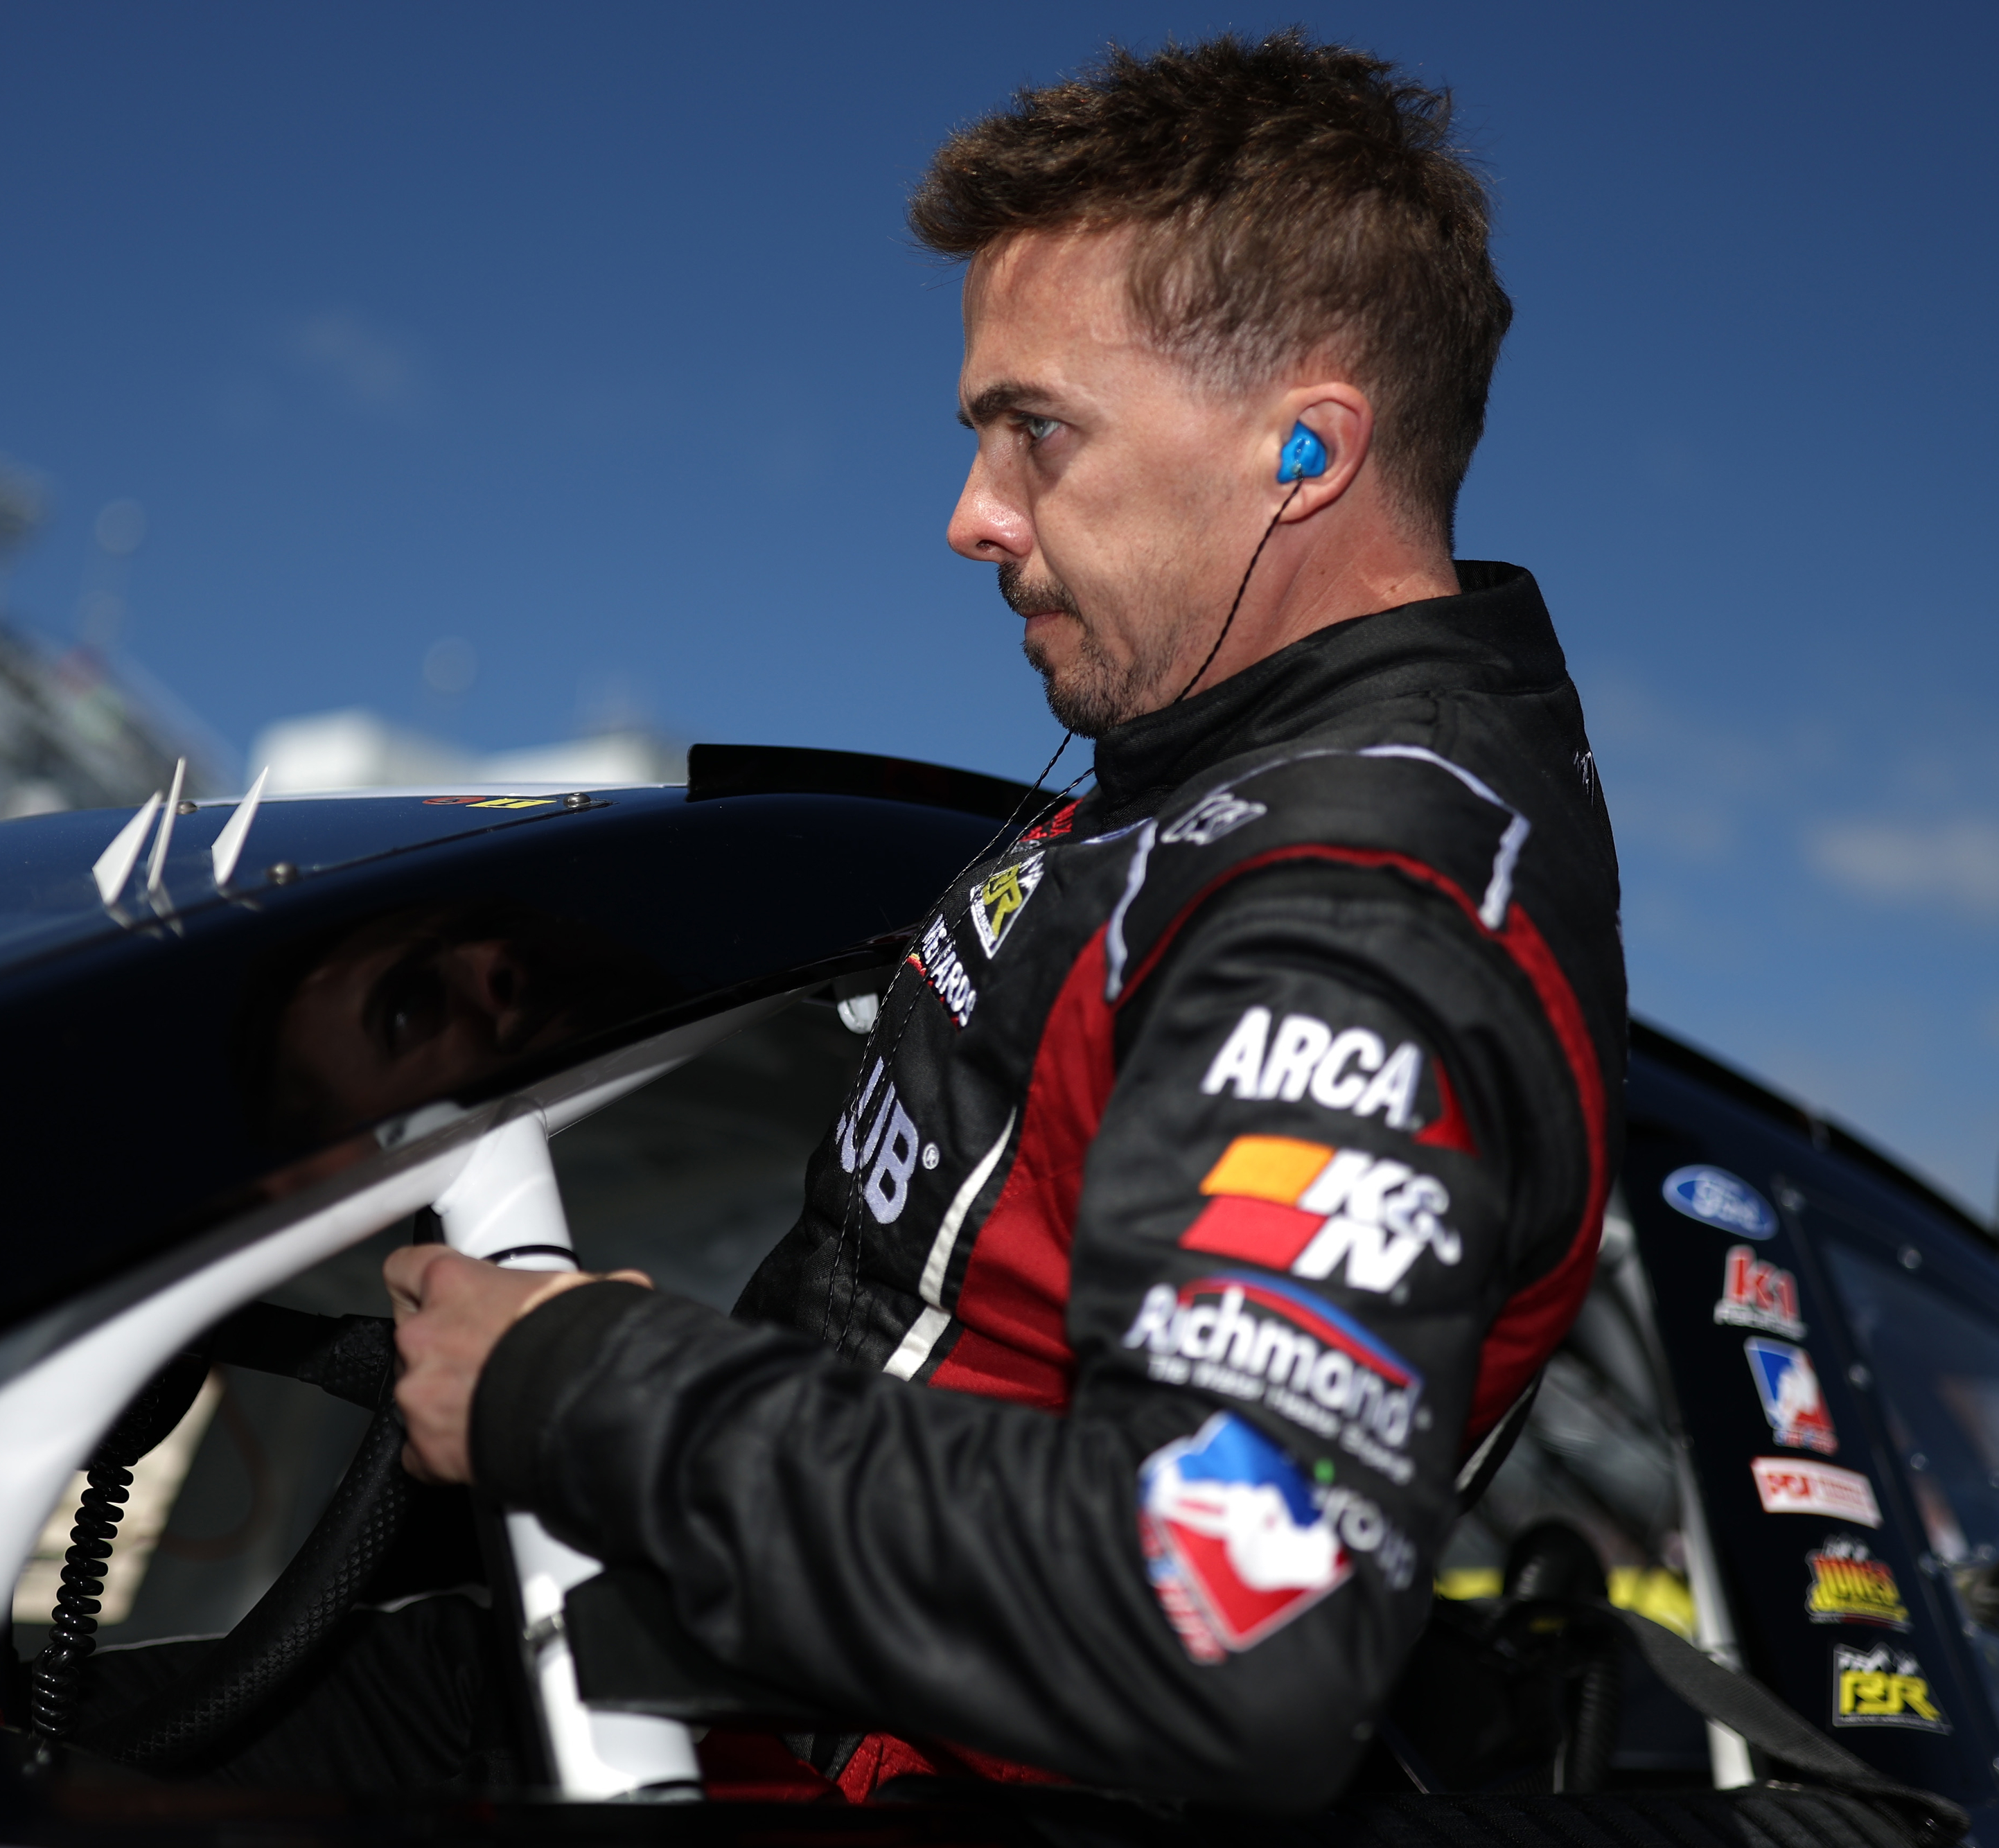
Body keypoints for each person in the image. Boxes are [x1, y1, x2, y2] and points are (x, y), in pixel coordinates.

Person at [383, 30, 1625, 1808]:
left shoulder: (1356, 902)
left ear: (1304, 446)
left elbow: (1222, 1615)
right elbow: (959, 1340)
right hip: (709, 1687)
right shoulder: (1196, 789)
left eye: (1035, 433)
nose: (971, 516)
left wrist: (584, 1391)